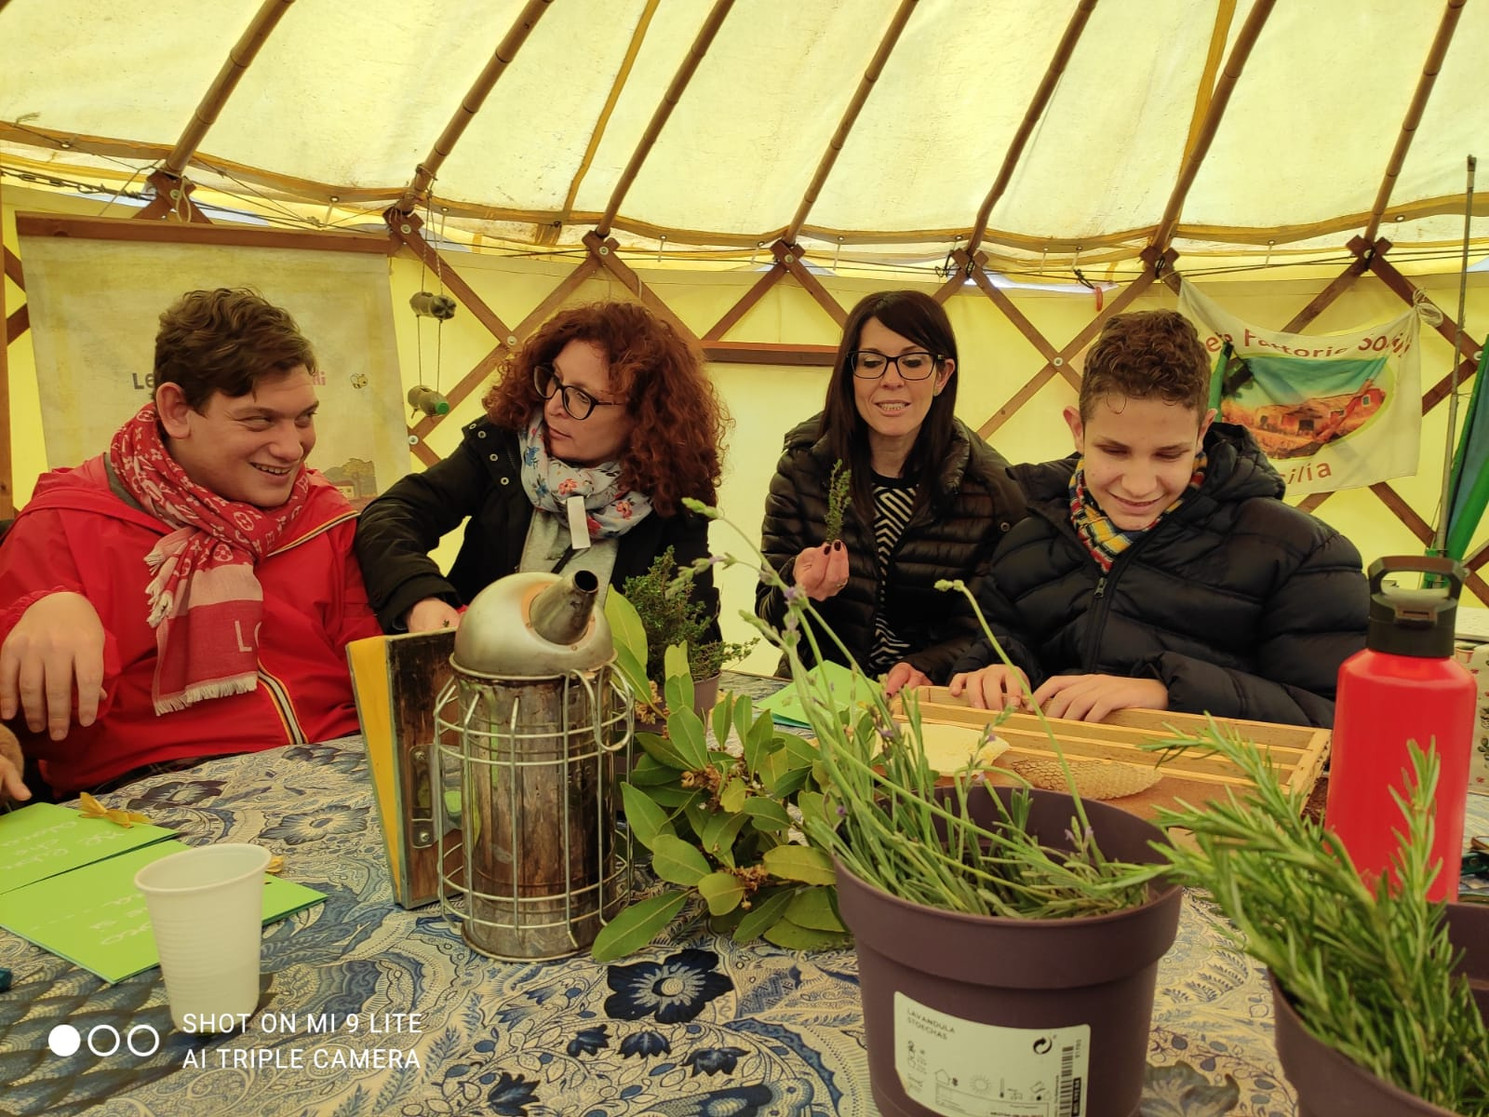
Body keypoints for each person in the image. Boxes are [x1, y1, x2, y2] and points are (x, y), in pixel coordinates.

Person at [0, 288, 382, 802]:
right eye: (259, 420)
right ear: (177, 410)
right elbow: (39, 738)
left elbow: (375, 663)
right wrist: (38, 614)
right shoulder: (64, 524)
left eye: (304, 418)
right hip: (154, 794)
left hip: (342, 770)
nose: (292, 447)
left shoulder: (322, 515)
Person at [949, 308, 1367, 727]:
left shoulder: (1301, 554)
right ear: (1077, 430)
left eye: (1168, 454)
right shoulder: (1027, 541)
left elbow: (1343, 714)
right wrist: (997, 667)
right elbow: (1003, 639)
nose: (1138, 484)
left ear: (1203, 431)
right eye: (1114, 451)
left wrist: (1170, 692)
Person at [355, 300, 727, 638]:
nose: (554, 406)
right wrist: (422, 599)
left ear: (643, 416)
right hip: (477, 685)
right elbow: (390, 516)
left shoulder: (671, 501)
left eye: (583, 396)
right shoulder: (502, 448)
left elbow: (694, 632)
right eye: (555, 379)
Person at [757, 290, 1026, 694]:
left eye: (913, 362)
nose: (891, 380)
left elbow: (990, 631)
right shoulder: (805, 467)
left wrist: (925, 668)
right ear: (850, 372)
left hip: (928, 703)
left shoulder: (991, 489)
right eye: (871, 362)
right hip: (817, 699)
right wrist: (798, 590)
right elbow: (769, 617)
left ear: (942, 375)